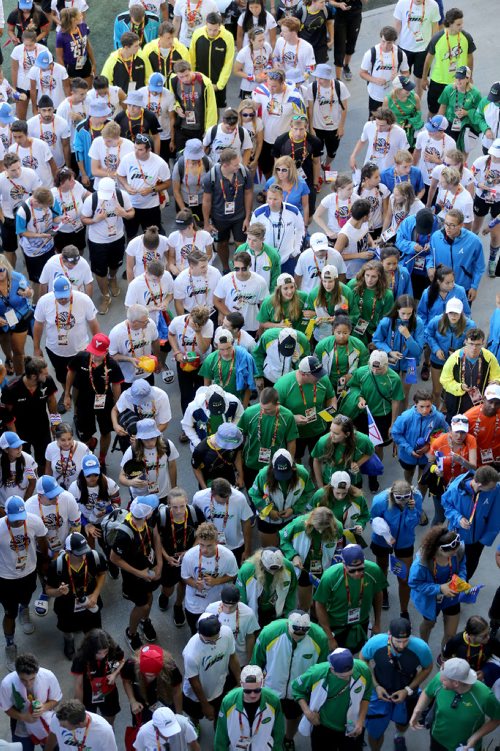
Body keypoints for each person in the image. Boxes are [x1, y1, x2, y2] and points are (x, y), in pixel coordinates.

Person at [251, 610, 328, 747]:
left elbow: (321, 671)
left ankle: (288, 739)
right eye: (295, 633)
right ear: (288, 624)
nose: (298, 637)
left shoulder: (319, 638)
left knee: (293, 717)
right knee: (267, 718)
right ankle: (268, 741)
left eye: (303, 634)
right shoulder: (269, 633)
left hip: (298, 691)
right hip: (271, 688)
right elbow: (256, 662)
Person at [360, 616, 433, 751]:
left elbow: (428, 667)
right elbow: (363, 659)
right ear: (389, 634)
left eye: (406, 641)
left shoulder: (421, 648)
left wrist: (407, 690)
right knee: (375, 732)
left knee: (402, 722)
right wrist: (376, 685)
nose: (401, 645)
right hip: (379, 691)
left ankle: (399, 736)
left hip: (407, 693)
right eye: (398, 641)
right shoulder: (375, 643)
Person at [342, 351, 404, 490]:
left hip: (381, 416)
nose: (375, 371)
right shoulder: (362, 372)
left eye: (379, 368)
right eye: (373, 367)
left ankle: (373, 473)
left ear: (386, 365)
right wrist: (359, 397)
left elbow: (396, 401)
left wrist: (393, 423)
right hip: (362, 413)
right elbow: (354, 386)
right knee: (355, 441)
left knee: (376, 446)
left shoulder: (393, 378)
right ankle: (355, 469)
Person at [409, 658, 500, 751]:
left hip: (464, 746)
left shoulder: (485, 697)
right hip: (437, 738)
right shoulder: (439, 679)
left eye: (444, 680)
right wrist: (417, 711)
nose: (440, 679)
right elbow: (427, 692)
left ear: (456, 683)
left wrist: (475, 737)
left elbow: (497, 719)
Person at [292, 647, 372, 751]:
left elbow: (366, 696)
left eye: (350, 674)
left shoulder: (363, 670)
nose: (348, 678)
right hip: (323, 727)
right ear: (332, 669)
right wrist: (307, 712)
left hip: (352, 727)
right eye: (343, 676)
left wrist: (360, 721)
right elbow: (296, 688)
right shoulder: (317, 672)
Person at [110, 494, 163, 652]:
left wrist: (159, 563)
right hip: (134, 577)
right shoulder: (124, 534)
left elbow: (155, 536)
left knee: (149, 596)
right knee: (141, 605)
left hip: (149, 568)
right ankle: (131, 632)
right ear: (147, 513)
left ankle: (145, 621)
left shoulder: (148, 520)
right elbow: (114, 559)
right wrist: (139, 573)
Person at [0, 497, 48, 669]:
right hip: (6, 579)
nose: (19, 521)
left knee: (26, 598)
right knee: (9, 613)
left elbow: (42, 541)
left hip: (29, 572)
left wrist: (44, 562)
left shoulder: (34, 521)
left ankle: (24, 610)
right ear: (6, 514)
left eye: (21, 516)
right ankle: (10, 644)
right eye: (15, 519)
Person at [314, 544, 387, 654]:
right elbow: (319, 604)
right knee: (336, 659)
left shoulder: (374, 571)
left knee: (356, 654)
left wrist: (377, 623)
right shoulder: (330, 576)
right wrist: (329, 637)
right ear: (344, 564)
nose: (357, 573)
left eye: (360, 569)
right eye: (352, 570)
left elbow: (378, 594)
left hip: (361, 623)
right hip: (337, 626)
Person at [45, 532, 107, 659]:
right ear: (68, 551)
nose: (84, 555)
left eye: (85, 551)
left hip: (90, 602)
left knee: (94, 631)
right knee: (67, 629)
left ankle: (93, 645)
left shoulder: (94, 557)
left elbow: (102, 574)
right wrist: (58, 592)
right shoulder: (56, 566)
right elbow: (48, 590)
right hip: (66, 606)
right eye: (79, 553)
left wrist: (95, 594)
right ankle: (69, 640)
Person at [64, 333, 122, 465]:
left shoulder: (113, 365)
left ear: (106, 351)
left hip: (105, 402)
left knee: (106, 432)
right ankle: (88, 454)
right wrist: (67, 394)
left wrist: (117, 407)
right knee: (84, 435)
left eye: (98, 353)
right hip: (84, 401)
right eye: (93, 352)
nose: (94, 356)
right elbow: (71, 372)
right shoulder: (81, 357)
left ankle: (101, 459)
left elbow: (117, 385)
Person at [370, 480, 423, 618]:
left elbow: (413, 524)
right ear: (392, 494)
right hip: (383, 541)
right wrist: (385, 534)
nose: (403, 501)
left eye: (407, 497)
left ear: (411, 492)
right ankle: (384, 591)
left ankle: (404, 611)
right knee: (381, 568)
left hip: (404, 542)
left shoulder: (417, 497)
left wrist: (412, 510)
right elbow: (373, 520)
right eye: (399, 498)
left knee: (404, 578)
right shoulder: (380, 500)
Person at [408, 526, 466, 652]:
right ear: (440, 549)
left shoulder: (458, 549)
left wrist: (461, 580)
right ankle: (423, 647)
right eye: (451, 552)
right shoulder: (421, 563)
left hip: (452, 598)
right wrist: (439, 588)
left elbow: (462, 566)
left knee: (451, 634)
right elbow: (414, 583)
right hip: (430, 600)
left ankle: (444, 655)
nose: (455, 553)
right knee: (429, 624)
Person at [441, 466, 500, 579]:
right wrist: (458, 518)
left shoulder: (495, 488)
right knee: (451, 567)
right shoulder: (455, 489)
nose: (494, 488)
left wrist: (485, 539)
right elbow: (446, 504)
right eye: (491, 487)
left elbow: (496, 515)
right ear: (479, 485)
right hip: (457, 538)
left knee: (469, 570)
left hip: (477, 540)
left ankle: (463, 586)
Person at [275, 355, 336, 462]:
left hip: (319, 429)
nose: (320, 377)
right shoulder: (283, 385)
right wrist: (292, 418)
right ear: (304, 374)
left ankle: (314, 475)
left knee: (317, 459)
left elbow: (331, 397)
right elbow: (273, 409)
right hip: (296, 433)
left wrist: (332, 410)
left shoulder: (322, 379)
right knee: (296, 459)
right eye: (316, 375)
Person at [280, 507, 343, 611]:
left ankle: (316, 621)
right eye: (317, 527)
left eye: (325, 527)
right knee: (305, 604)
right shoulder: (299, 524)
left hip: (325, 567)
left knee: (321, 603)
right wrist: (293, 555)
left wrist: (335, 562)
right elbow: (282, 538)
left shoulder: (338, 527)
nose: (321, 530)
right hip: (304, 567)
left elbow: (339, 546)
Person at [182, 613, 240, 725]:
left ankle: (218, 732)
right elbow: (194, 681)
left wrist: (239, 680)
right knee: (195, 714)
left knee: (219, 715)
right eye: (208, 641)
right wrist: (205, 705)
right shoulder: (191, 654)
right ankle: (194, 723)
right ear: (199, 633)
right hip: (195, 696)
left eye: (216, 639)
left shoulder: (226, 633)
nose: (213, 643)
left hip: (219, 687)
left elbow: (232, 656)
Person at [249, 449, 315, 548]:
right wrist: (269, 511)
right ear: (272, 468)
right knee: (269, 550)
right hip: (268, 520)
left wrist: (294, 509)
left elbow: (309, 493)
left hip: (292, 519)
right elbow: (254, 494)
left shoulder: (302, 474)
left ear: (293, 467)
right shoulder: (263, 475)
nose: (283, 478)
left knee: (291, 550)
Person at [202, 147, 253, 273]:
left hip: (239, 217)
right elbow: (206, 201)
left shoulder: (243, 172)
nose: (239, 166)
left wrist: (247, 217)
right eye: (235, 164)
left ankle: (240, 268)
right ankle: (225, 268)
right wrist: (206, 223)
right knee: (222, 244)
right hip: (219, 218)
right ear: (225, 165)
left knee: (241, 245)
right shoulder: (211, 177)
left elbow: (248, 194)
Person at [180, 522, 238, 634]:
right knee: (195, 632)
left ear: (217, 542)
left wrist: (217, 581)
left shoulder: (228, 556)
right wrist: (195, 584)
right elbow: (185, 577)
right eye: (201, 545)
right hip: (194, 604)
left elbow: (233, 574)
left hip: (217, 603)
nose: (204, 550)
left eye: (209, 545)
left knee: (215, 632)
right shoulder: (189, 556)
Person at [237, 386, 299, 489]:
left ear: (277, 404)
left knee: (272, 492)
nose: (264, 411)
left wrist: (290, 462)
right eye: (262, 407)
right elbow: (239, 437)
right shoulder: (249, 413)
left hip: (275, 465)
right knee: (253, 493)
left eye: (268, 409)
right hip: (251, 463)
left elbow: (291, 441)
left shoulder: (287, 416)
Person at [1, 356, 58, 468]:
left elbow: (51, 401)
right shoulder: (11, 388)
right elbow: (7, 415)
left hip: (42, 428)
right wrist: (15, 437)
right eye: (44, 374)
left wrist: (55, 423)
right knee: (24, 460)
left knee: (44, 459)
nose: (48, 375)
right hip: (21, 430)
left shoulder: (48, 381)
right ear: (33, 376)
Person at [0, 652, 62, 751]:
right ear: (17, 673)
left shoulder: (48, 676)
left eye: (32, 679)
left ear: (37, 671)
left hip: (46, 720)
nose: (28, 684)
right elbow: (6, 708)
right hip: (20, 724)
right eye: (23, 680)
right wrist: (23, 717)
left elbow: (56, 699)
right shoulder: (7, 684)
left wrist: (45, 707)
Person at [215, 664, 284, 751]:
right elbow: (221, 734)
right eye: (247, 691)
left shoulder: (273, 700)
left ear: (262, 683)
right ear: (241, 684)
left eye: (257, 690)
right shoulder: (228, 702)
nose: (252, 695)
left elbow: (279, 731)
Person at [251, 69, 306, 179]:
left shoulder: (294, 97)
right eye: (269, 84)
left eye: (274, 86)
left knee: (283, 169)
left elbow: (301, 119)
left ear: (283, 83)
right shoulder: (261, 90)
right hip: (265, 139)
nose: (270, 88)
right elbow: (253, 110)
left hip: (284, 140)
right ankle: (270, 187)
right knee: (266, 167)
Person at [421, 7, 476, 115]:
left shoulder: (466, 37)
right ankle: (430, 131)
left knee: (456, 112)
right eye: (458, 24)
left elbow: (470, 57)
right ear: (450, 23)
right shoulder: (437, 38)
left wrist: (470, 77)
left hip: (459, 82)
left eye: (461, 24)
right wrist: (424, 78)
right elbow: (428, 60)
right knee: (433, 111)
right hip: (438, 81)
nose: (461, 27)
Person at [372, 295, 424, 405]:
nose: (406, 317)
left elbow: (417, 351)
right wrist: (389, 351)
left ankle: (402, 419)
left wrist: (408, 336)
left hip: (411, 362)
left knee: (405, 394)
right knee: (390, 392)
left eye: (409, 314)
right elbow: (377, 340)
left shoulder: (418, 323)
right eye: (403, 313)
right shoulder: (386, 322)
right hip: (391, 361)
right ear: (397, 310)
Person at [425, 297, 476, 406]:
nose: (453, 316)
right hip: (438, 360)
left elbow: (472, 343)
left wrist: (460, 353)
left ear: (461, 313)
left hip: (458, 362)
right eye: (451, 313)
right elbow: (428, 334)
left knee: (452, 391)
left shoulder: (470, 325)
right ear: (446, 312)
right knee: (436, 391)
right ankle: (435, 414)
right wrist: (436, 349)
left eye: (456, 313)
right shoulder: (437, 321)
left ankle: (446, 410)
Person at [440, 327, 500, 419]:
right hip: (457, 404)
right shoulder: (454, 358)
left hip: (480, 404)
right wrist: (459, 387)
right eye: (471, 344)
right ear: (465, 342)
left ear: (483, 344)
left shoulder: (490, 358)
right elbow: (445, 380)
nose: (474, 348)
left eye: (478, 345)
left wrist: (496, 382)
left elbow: (497, 376)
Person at [14, 186, 61, 298]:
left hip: (49, 246)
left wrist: (62, 220)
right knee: (38, 281)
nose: (46, 208)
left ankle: (50, 298)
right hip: (33, 251)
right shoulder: (23, 211)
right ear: (35, 201)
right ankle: (37, 304)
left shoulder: (51, 200)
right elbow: (21, 232)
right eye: (44, 206)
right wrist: (39, 235)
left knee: (50, 275)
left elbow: (56, 217)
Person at [192, 478, 252, 565]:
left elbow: (246, 522)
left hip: (235, 546)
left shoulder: (239, 498)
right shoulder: (199, 498)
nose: (224, 503)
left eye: (227, 500)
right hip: (209, 546)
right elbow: (194, 517)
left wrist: (247, 550)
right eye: (220, 502)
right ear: (212, 493)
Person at [71, 629, 124, 726]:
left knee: (110, 716)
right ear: (91, 650)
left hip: (108, 690)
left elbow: (122, 661)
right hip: (88, 693)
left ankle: (108, 730)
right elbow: (79, 686)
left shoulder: (114, 649)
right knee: (87, 719)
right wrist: (80, 708)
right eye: (99, 653)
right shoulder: (80, 658)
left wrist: (114, 674)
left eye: (105, 652)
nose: (103, 656)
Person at [121, 644, 183, 726]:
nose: (149, 678)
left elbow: (176, 691)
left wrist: (179, 715)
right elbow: (126, 681)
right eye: (145, 674)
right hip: (141, 706)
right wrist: (133, 701)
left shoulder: (171, 669)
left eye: (153, 675)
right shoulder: (130, 664)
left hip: (164, 703)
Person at [236, 547, 298, 627]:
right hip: (255, 610)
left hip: (277, 610)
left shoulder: (288, 567)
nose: (273, 573)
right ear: (261, 563)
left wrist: (288, 619)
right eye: (270, 569)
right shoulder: (246, 571)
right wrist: (246, 625)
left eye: (276, 569)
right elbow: (241, 601)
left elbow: (291, 594)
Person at [120, 418, 179, 501]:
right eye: (146, 439)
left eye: (152, 438)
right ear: (140, 438)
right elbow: (121, 477)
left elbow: (172, 466)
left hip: (164, 494)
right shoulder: (132, 451)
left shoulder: (167, 445)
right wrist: (131, 482)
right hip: (141, 497)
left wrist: (173, 488)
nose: (150, 443)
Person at [0, 152, 41, 267]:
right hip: (9, 218)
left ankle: (30, 267)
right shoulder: (1, 179)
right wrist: (2, 218)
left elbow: (38, 194)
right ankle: (10, 275)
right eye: (13, 170)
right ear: (5, 168)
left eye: (19, 168)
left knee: (29, 246)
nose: (17, 172)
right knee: (9, 250)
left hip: (27, 216)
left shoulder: (30, 174)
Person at [251, 185, 305, 271]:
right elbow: (252, 235)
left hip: (287, 258)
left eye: (275, 199)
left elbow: (300, 229)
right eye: (269, 198)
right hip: (265, 259)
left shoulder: (293, 211)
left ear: (282, 198)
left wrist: (296, 250)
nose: (272, 202)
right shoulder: (258, 214)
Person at [214, 252, 269, 337]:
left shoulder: (260, 282)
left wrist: (261, 328)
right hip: (230, 326)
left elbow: (264, 307)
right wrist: (229, 315)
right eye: (237, 269)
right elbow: (217, 300)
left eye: (243, 269)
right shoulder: (225, 280)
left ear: (249, 266)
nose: (240, 272)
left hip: (252, 325)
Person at [307, 64, 350, 172]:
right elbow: (310, 109)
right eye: (317, 77)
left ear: (327, 77)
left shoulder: (339, 86)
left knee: (332, 152)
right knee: (317, 152)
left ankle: (326, 164)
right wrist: (311, 128)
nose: (318, 79)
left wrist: (341, 126)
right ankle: (317, 173)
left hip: (334, 127)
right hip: (318, 127)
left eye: (321, 77)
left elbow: (344, 108)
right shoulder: (312, 87)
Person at [205, 583, 259, 667]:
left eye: (232, 606)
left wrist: (250, 661)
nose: (228, 609)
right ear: (220, 597)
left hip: (240, 659)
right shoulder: (210, 609)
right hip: (218, 659)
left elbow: (250, 637)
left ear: (239, 600)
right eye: (225, 605)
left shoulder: (248, 613)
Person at [359, 26, 410, 116]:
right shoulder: (371, 53)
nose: (385, 46)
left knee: (391, 120)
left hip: (393, 95)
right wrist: (375, 80)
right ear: (380, 39)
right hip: (375, 94)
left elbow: (406, 73)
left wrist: (399, 78)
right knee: (374, 120)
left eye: (389, 43)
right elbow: (362, 73)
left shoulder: (400, 54)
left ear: (394, 42)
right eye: (383, 41)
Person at [393, 0, 440, 95]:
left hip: (423, 49)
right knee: (404, 76)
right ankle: (403, 99)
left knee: (420, 78)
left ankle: (416, 101)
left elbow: (435, 28)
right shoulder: (402, 3)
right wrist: (392, 44)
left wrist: (434, 48)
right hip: (404, 48)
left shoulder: (433, 5)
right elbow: (397, 25)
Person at [199, 328, 255, 407]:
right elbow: (207, 385)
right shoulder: (210, 360)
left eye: (229, 348)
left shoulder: (244, 358)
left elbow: (248, 386)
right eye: (222, 349)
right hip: (218, 401)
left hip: (239, 400)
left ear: (233, 343)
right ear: (216, 346)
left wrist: (244, 407)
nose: (225, 353)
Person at [169, 60, 217, 151]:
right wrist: (177, 108)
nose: (185, 79)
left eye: (187, 75)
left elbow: (211, 108)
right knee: (181, 157)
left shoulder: (204, 83)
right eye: (181, 77)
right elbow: (174, 100)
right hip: (182, 127)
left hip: (199, 129)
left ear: (191, 70)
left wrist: (209, 131)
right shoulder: (174, 81)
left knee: (198, 158)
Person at [190, 13, 234, 110]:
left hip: (217, 83)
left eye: (215, 30)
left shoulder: (228, 37)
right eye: (209, 29)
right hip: (199, 82)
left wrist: (219, 85)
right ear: (206, 24)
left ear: (220, 25)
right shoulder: (197, 34)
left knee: (215, 110)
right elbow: (192, 59)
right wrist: (192, 79)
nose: (212, 33)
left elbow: (228, 63)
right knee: (199, 109)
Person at [108, 306, 160, 388]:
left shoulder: (150, 324)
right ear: (135, 322)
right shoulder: (116, 333)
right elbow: (112, 356)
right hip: (127, 378)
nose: (148, 322)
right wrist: (130, 359)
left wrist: (157, 361)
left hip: (147, 372)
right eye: (145, 321)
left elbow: (155, 341)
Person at [181, 383, 243, 451]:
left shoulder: (234, 402)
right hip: (204, 447)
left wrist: (232, 429)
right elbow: (186, 425)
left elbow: (240, 416)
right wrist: (198, 444)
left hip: (227, 444)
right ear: (206, 402)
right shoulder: (193, 407)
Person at [350, 108, 409, 175]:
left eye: (382, 126)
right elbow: (362, 141)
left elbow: (404, 154)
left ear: (390, 123)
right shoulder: (369, 125)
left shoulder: (400, 133)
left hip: (388, 172)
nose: (378, 128)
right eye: (377, 124)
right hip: (369, 170)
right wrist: (353, 156)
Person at [347, 261, 394, 345]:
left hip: (373, 332)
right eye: (367, 275)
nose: (369, 280)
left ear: (380, 278)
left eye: (373, 277)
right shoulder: (353, 285)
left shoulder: (387, 295)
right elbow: (344, 305)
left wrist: (378, 339)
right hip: (351, 328)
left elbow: (386, 320)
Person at [44, 699, 118, 751]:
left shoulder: (104, 731)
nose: (60, 726)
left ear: (79, 724)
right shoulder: (57, 718)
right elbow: (52, 736)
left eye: (64, 726)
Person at [191, 423, 245, 489]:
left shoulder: (234, 440)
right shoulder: (201, 450)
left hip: (229, 478)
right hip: (211, 482)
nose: (232, 447)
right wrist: (204, 488)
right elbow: (196, 468)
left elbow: (237, 457)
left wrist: (240, 476)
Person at [234, 222, 281, 291]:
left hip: (264, 294)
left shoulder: (273, 255)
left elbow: (275, 278)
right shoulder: (241, 250)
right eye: (249, 239)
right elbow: (235, 271)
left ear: (262, 240)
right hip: (244, 293)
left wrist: (270, 297)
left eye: (254, 240)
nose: (250, 243)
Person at [141, 21, 190, 87]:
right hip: (156, 89)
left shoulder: (181, 49)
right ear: (160, 37)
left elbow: (188, 70)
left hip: (177, 88)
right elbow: (146, 73)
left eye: (172, 37)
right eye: (168, 38)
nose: (171, 41)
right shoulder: (148, 49)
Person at [265, 156, 310, 224]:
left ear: (291, 170)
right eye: (278, 169)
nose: (280, 172)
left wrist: (305, 225)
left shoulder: (301, 184)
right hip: (275, 219)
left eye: (284, 170)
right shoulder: (270, 182)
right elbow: (267, 202)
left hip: (295, 219)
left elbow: (305, 206)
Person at [464, 383, 500, 469]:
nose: (493, 406)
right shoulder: (468, 416)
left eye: (497, 403)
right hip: (474, 463)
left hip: (496, 462)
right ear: (483, 399)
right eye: (490, 402)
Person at [56, 8, 95, 85]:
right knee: (76, 91)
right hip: (71, 67)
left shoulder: (83, 26)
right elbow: (59, 57)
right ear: (73, 19)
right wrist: (65, 75)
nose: (82, 16)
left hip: (85, 62)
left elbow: (87, 45)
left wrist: (93, 63)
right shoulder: (61, 36)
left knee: (88, 88)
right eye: (79, 15)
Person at [134, 706, 200, 751]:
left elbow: (194, 744)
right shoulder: (143, 732)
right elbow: (139, 749)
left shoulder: (183, 724)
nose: (170, 734)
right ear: (155, 727)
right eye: (166, 731)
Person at [0, 431, 37, 509]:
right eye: (15, 447)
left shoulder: (28, 459)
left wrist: (25, 503)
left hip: (22, 504)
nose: (19, 448)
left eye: (20, 445)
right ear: (6, 450)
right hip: (3, 506)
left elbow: (32, 482)